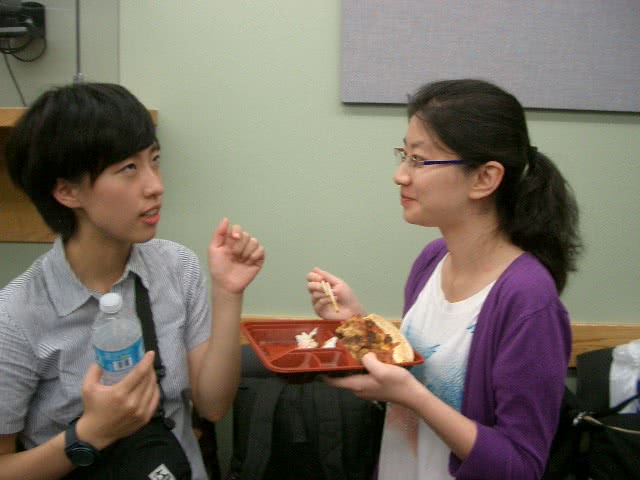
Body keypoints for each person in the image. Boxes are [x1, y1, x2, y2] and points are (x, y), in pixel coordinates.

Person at [307, 79, 581, 480]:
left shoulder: (528, 299)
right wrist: (357, 325)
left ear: (484, 178)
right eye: (404, 155)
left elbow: (521, 466)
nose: (400, 176)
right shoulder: (432, 260)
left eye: (419, 160)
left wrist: (412, 397)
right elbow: (416, 371)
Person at [0, 82, 265, 480]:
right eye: (128, 168)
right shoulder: (14, 316)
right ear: (67, 191)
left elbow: (212, 406)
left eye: (154, 160)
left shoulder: (177, 266)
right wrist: (89, 435)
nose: (155, 185)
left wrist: (228, 293)